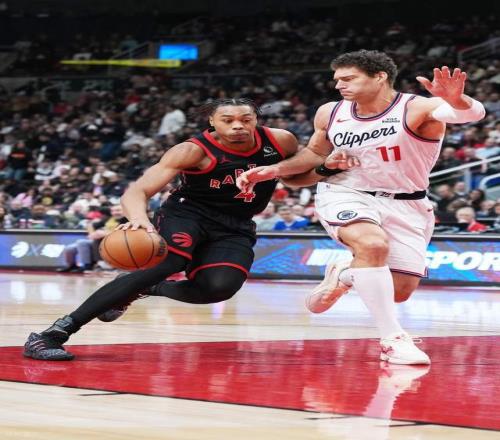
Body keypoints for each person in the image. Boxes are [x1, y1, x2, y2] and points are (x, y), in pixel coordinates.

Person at [236, 50, 485, 365]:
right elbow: (314, 154)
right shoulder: (330, 112)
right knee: (372, 244)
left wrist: (458, 100)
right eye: (337, 79)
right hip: (346, 192)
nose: (339, 85)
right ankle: (393, 339)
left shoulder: (416, 108)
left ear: (379, 77)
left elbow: (469, 114)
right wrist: (274, 170)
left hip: (407, 202)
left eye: (348, 78)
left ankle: (345, 274)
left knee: (399, 291)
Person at [23, 98, 306, 361]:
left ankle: (147, 286)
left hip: (236, 224)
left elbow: (304, 168)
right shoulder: (192, 150)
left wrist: (317, 169)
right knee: (168, 262)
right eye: (228, 120)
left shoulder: (280, 140)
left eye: (245, 119)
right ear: (212, 121)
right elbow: (138, 190)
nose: (238, 126)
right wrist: (140, 220)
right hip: (188, 214)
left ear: (256, 119)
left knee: (218, 288)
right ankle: (52, 334)